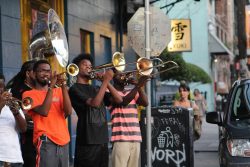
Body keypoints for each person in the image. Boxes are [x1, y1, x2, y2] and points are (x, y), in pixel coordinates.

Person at [69, 53, 122, 167]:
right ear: (77, 69)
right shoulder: (74, 89)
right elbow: (95, 103)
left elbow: (118, 100)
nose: (89, 67)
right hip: (87, 141)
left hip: (102, 140)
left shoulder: (97, 88)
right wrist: (105, 81)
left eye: (90, 65)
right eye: (85, 65)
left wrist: (106, 82)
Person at [22, 59, 72, 167]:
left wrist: (63, 86)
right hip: (46, 141)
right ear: (34, 74)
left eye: (48, 71)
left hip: (64, 140)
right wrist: (51, 87)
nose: (46, 74)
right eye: (42, 71)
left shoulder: (58, 91)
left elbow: (68, 111)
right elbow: (44, 111)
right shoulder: (28, 94)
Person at [110, 70, 149, 167]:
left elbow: (145, 103)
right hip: (120, 139)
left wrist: (139, 87)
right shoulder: (110, 92)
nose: (123, 75)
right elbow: (124, 101)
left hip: (135, 138)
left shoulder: (131, 91)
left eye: (123, 73)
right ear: (113, 77)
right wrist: (138, 85)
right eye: (119, 74)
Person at [6, 60, 37, 167]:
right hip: (28, 136)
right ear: (28, 73)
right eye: (36, 71)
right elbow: (17, 114)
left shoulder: (40, 88)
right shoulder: (17, 90)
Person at [0, 73, 27, 167]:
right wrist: (1, 104)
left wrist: (15, 112)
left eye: (2, 87)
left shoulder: (12, 102)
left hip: (14, 158)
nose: (0, 90)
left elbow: (23, 129)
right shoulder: (2, 103)